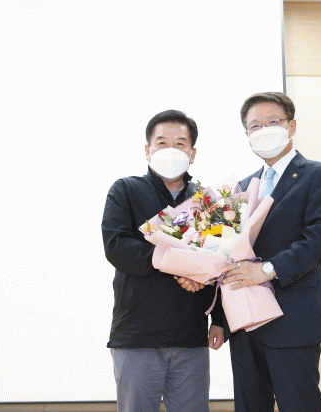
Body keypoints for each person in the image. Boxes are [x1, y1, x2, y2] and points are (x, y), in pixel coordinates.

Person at [222, 92, 321, 412]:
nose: (264, 130)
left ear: (292, 126)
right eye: (255, 126)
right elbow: (227, 252)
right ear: (247, 134)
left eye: (273, 122)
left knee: (298, 404)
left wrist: (266, 270)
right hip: (245, 321)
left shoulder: (319, 175)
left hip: (294, 319)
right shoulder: (243, 186)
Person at [102, 109, 225, 412]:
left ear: (192, 153)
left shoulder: (207, 201)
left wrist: (220, 320)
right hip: (138, 335)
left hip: (191, 335)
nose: (171, 149)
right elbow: (117, 247)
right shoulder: (126, 190)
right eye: (161, 143)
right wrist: (183, 266)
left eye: (180, 143)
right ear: (148, 150)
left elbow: (221, 259)